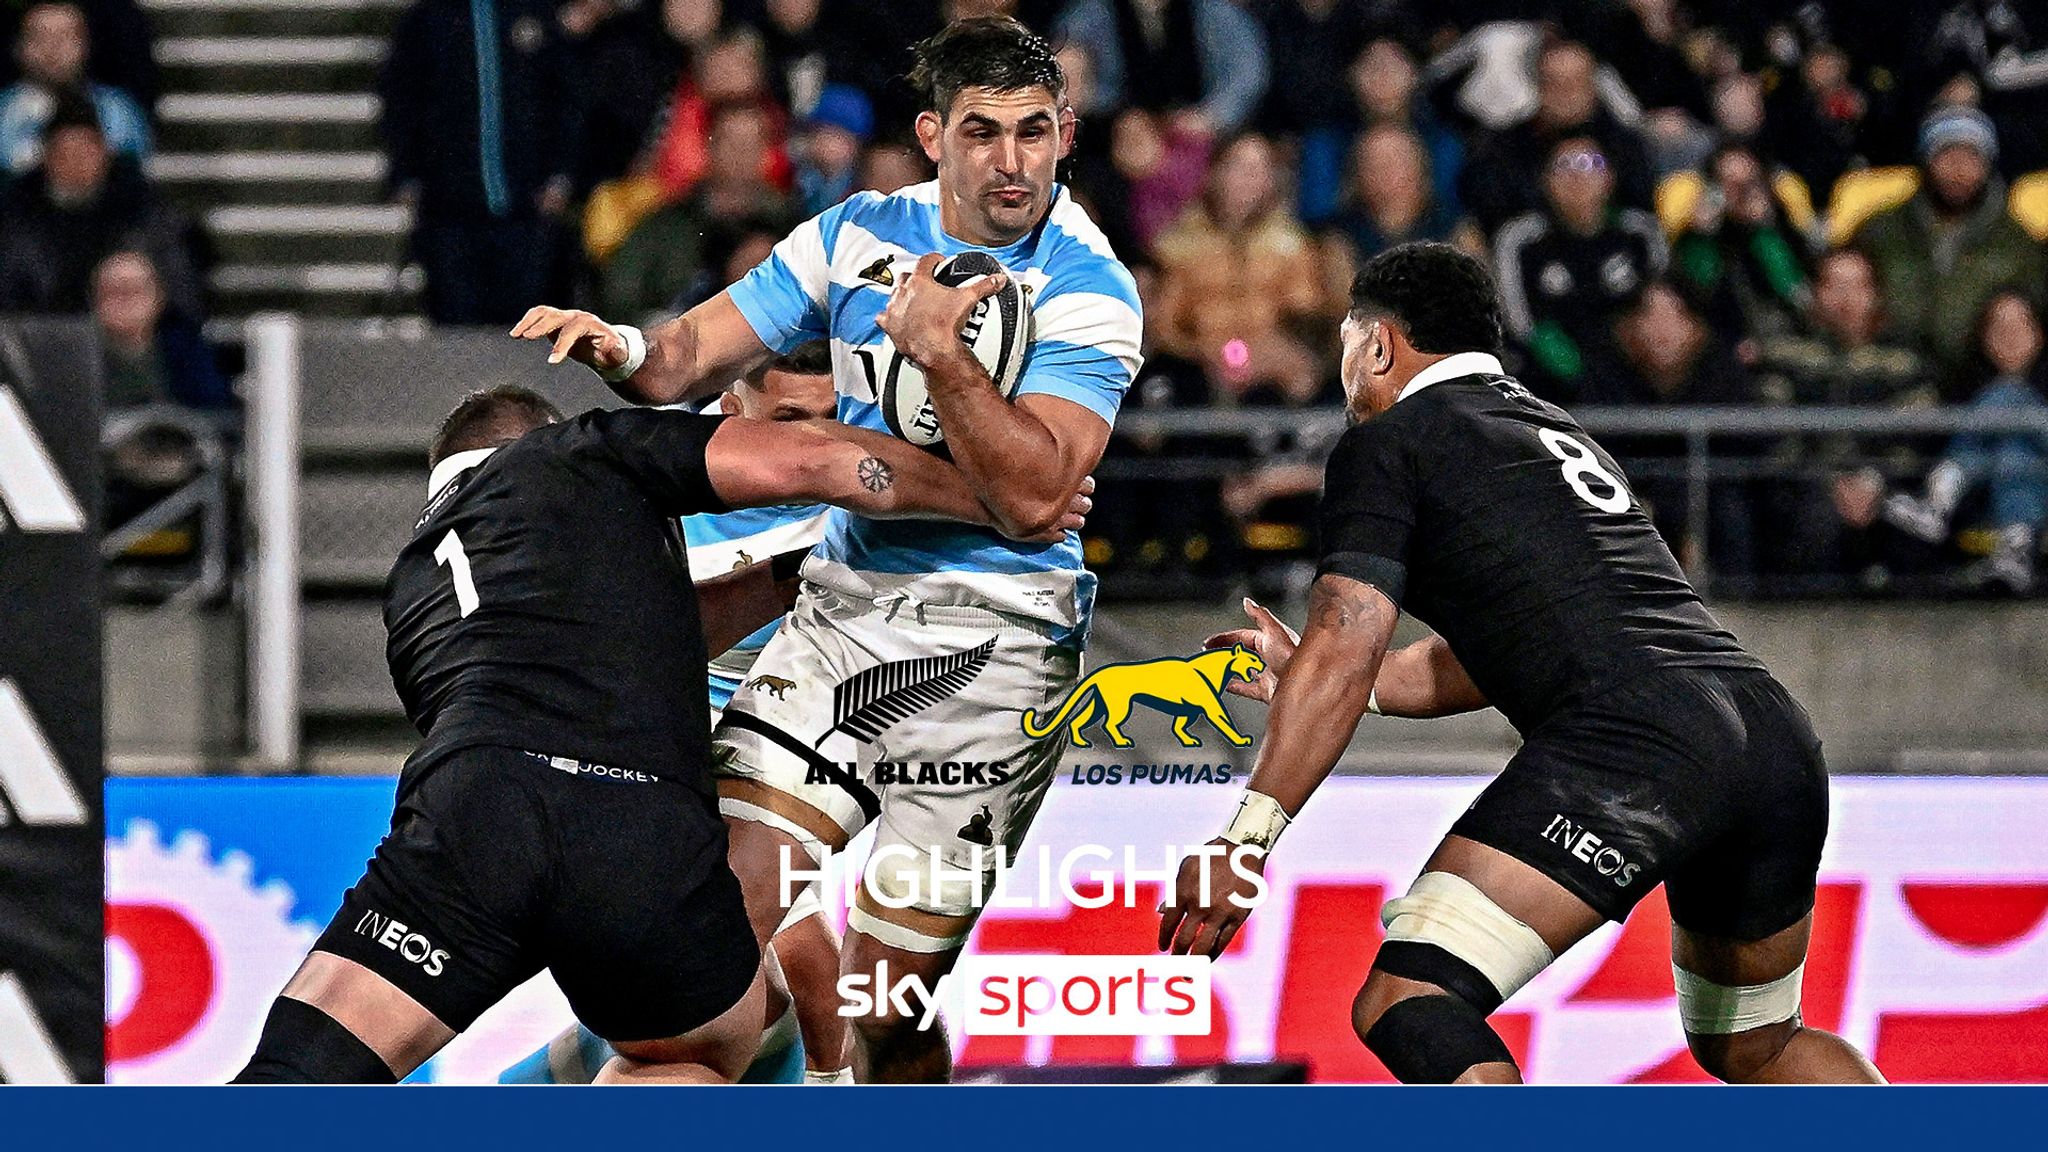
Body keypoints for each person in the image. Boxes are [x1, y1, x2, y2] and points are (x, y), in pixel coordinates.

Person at [509, 16, 1139, 1083]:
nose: (1011, 161)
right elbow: (684, 357)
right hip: (842, 613)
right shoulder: (853, 235)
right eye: (982, 132)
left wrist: (939, 357)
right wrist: (621, 346)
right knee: (706, 933)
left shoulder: (1092, 287)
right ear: (932, 136)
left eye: (1033, 132)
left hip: (1001, 648)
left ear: (1066, 135)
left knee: (881, 1004)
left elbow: (1037, 495)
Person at [1158, 241, 1884, 1087]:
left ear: (1380, 345)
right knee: (1758, 1044)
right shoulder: (1552, 429)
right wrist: (1340, 678)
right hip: (1769, 735)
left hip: (1636, 742)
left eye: (1349, 342)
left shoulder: (1389, 442)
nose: (1345, 370)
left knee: (1412, 999)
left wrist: (1243, 843)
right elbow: (1510, 641)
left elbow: (1348, 637)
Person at [233, 384, 1086, 1084]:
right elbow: (812, 461)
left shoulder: (413, 584)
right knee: (696, 1053)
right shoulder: (584, 452)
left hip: (480, 807)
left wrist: (804, 576)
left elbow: (635, 642)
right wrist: (1001, 503)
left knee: (301, 1072)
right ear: (543, 436)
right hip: (641, 829)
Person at [496, 342, 853, 1086]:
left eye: (832, 416)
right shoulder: (664, 486)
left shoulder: (863, 489)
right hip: (657, 755)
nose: (814, 441)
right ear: (732, 407)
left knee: (759, 990)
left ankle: (524, 1091)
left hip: (785, 750)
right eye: (791, 418)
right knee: (784, 979)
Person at [1853, 105, 2047, 401]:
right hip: (1889, 378)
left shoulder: (2018, 243)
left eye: (1971, 156)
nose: (1959, 169)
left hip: (1980, 389)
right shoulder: (1880, 232)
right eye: (1946, 154)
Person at [1884, 290, 2048, 595]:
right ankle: (2015, 547)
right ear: (1983, 336)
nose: (2010, 336)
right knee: (2013, 453)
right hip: (1985, 487)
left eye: (2019, 326)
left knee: (2009, 394)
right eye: (1999, 327)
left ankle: (1937, 500)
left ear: (2039, 334)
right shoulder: (1962, 385)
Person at [1494, 135, 1667, 401]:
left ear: (1610, 177)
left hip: (1635, 370)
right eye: (1563, 165)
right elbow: (1521, 323)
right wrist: (1577, 373)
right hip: (1549, 381)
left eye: (1590, 163)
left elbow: (1663, 299)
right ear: (1545, 181)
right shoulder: (1522, 240)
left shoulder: (1639, 233)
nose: (1577, 176)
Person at [0, 1, 150, 179]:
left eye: (64, 38)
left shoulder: (117, 108)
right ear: (20, 47)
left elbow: (129, 162)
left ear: (85, 45)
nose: (51, 49)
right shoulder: (4, 110)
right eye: (39, 38)